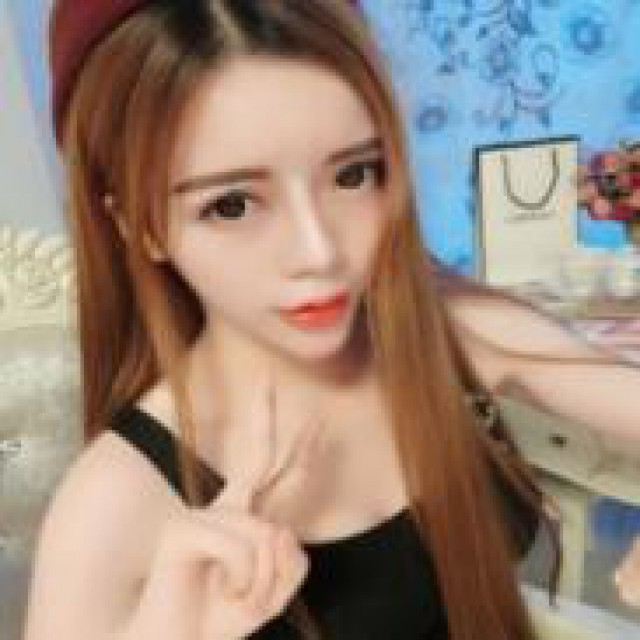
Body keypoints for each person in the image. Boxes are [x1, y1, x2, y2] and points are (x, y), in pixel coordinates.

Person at [23, 1, 640, 638]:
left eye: (354, 175)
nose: (319, 251)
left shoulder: (442, 330)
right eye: (232, 205)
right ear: (138, 226)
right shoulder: (113, 502)